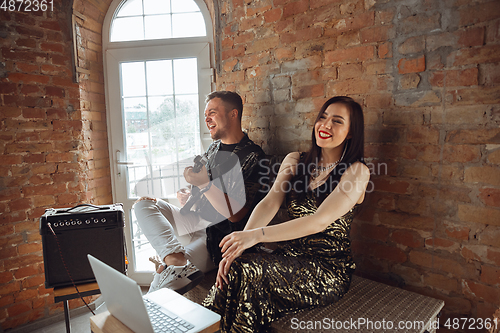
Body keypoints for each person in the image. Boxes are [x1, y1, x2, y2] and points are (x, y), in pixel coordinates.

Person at [202, 96, 370, 332]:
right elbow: (270, 203)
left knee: (247, 271)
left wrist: (255, 236)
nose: (326, 125)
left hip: (326, 269)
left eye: (337, 121)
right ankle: (201, 325)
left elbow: (318, 221)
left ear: (351, 133)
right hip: (289, 255)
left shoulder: (357, 172)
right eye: (323, 117)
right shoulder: (296, 160)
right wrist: (241, 244)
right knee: (236, 264)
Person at [133, 91, 265, 294]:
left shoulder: (253, 156)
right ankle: (174, 257)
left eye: (212, 112)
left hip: (217, 237)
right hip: (193, 219)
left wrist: (204, 185)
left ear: (233, 114)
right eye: (205, 115)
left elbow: (237, 214)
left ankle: (167, 275)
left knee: (170, 275)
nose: (207, 119)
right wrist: (189, 194)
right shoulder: (213, 149)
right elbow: (203, 188)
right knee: (143, 204)